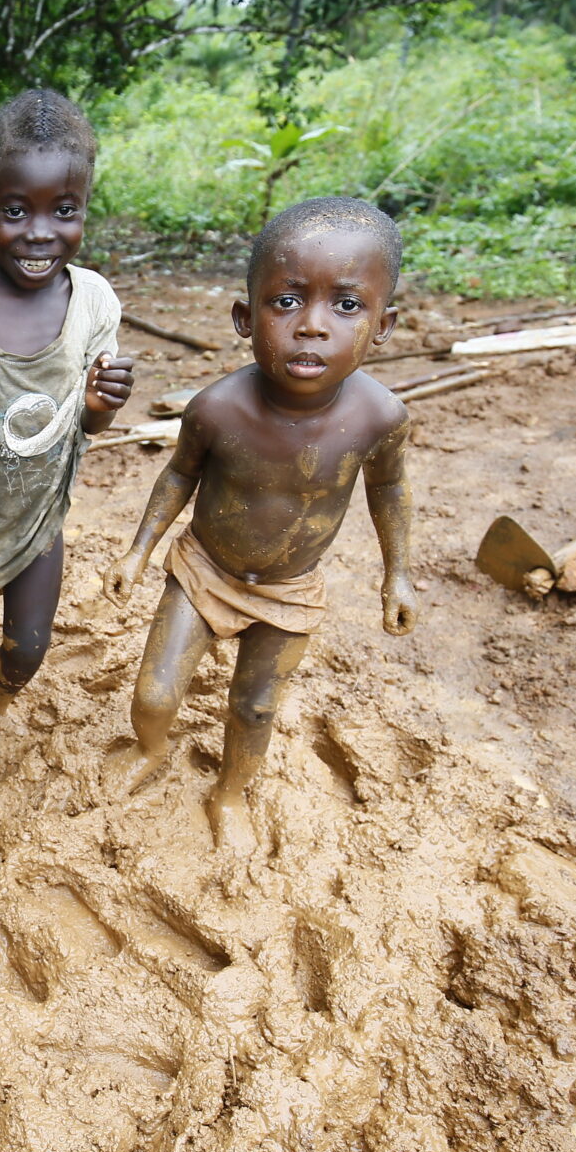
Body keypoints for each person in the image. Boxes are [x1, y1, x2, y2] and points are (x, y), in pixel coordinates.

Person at [102, 197, 417, 854]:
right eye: (287, 301)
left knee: (256, 706)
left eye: (347, 305)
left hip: (289, 588)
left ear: (383, 325)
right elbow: (178, 476)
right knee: (155, 695)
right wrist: (139, 551)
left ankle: (231, 792)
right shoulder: (217, 408)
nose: (313, 326)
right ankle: (151, 748)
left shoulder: (380, 417)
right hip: (204, 570)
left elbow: (388, 488)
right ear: (246, 317)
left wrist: (399, 575)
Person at [0, 89, 135, 716]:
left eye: (65, 210)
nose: (41, 232)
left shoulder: (93, 301)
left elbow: (89, 425)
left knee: (27, 649)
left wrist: (103, 402)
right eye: (16, 211)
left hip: (39, 517)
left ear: (85, 209)